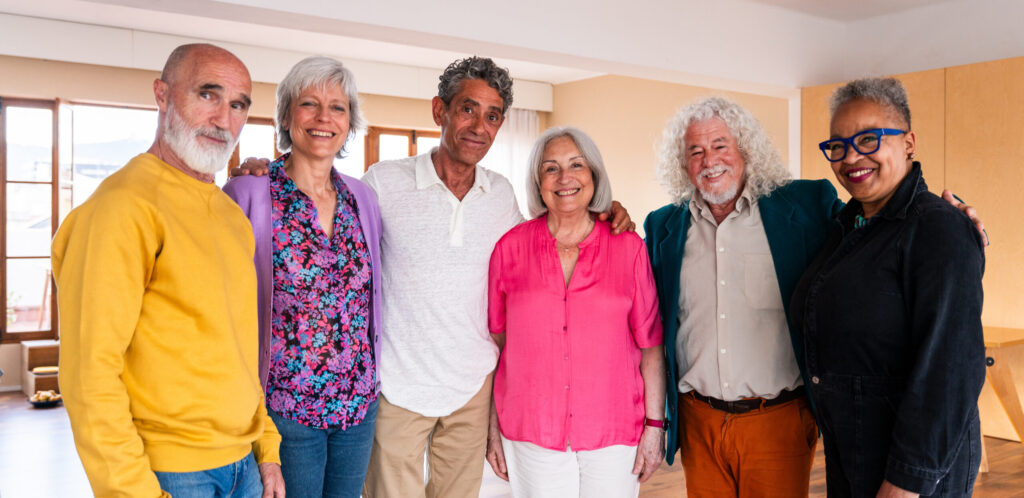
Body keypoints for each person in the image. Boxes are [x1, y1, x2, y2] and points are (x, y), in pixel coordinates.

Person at [232, 56, 634, 498]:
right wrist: (263, 169)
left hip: (470, 388)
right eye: (467, 109)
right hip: (395, 389)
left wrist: (603, 213)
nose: (479, 125)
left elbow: (547, 235)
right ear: (439, 111)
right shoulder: (379, 186)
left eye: (493, 115)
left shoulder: (500, 195)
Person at [643, 96, 987, 498]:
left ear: (745, 150)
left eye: (720, 145)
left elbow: (880, 223)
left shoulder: (807, 206)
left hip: (777, 418)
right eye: (695, 151)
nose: (709, 160)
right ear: (683, 163)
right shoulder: (662, 227)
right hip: (696, 419)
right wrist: (605, 213)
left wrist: (957, 223)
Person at [51, 43, 283, 497]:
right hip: (171, 475)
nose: (223, 119)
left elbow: (239, 352)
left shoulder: (231, 214)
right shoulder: (122, 207)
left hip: (244, 467)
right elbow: (89, 375)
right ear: (162, 95)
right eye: (207, 95)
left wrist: (266, 450)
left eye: (237, 105)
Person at [789, 77, 985, 497]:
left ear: (909, 141)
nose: (850, 157)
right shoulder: (848, 226)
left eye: (869, 138)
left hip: (908, 469)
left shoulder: (938, 227)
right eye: (837, 146)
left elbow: (949, 372)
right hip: (854, 452)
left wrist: (905, 483)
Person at [223, 56, 383, 498]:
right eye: (309, 103)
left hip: (359, 401)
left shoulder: (362, 199)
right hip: (285, 408)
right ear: (286, 116)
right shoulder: (249, 192)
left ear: (350, 123)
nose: (323, 118)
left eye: (338, 107)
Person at [484, 127, 665, 497]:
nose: (564, 178)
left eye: (576, 165)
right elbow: (497, 345)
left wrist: (655, 426)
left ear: (593, 175)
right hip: (531, 429)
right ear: (538, 181)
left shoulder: (629, 247)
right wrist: (491, 425)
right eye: (551, 168)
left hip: (613, 432)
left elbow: (650, 347)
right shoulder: (509, 248)